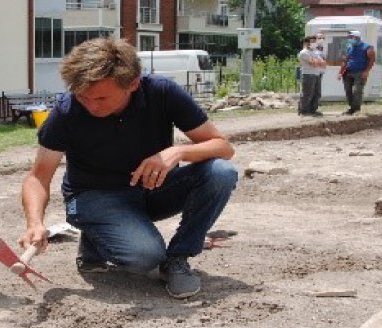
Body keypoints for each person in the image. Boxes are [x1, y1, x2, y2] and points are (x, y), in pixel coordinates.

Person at [19, 37, 237, 299]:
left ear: (133, 84)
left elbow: (223, 148)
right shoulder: (68, 111)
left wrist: (177, 151)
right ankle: (96, 236)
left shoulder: (162, 92)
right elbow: (38, 178)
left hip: (151, 190)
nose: (90, 105)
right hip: (95, 197)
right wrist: (34, 222)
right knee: (145, 257)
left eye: (100, 97)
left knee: (221, 173)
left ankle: (177, 258)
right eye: (82, 96)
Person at [339, 30, 375, 115]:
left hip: (360, 72)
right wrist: (340, 72)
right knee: (348, 91)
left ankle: (356, 109)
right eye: (349, 37)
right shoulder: (349, 47)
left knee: (357, 91)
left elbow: (372, 60)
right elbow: (345, 60)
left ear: (357, 38)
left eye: (351, 37)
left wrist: (366, 71)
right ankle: (352, 108)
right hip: (348, 72)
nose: (349, 39)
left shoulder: (367, 47)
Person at [298, 35, 326, 116]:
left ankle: (313, 110)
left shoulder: (315, 52)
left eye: (315, 41)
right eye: (312, 42)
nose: (314, 43)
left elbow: (323, 64)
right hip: (308, 75)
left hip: (316, 74)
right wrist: (317, 62)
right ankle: (304, 111)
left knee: (317, 93)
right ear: (307, 43)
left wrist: (317, 62)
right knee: (307, 93)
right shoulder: (304, 52)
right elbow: (313, 64)